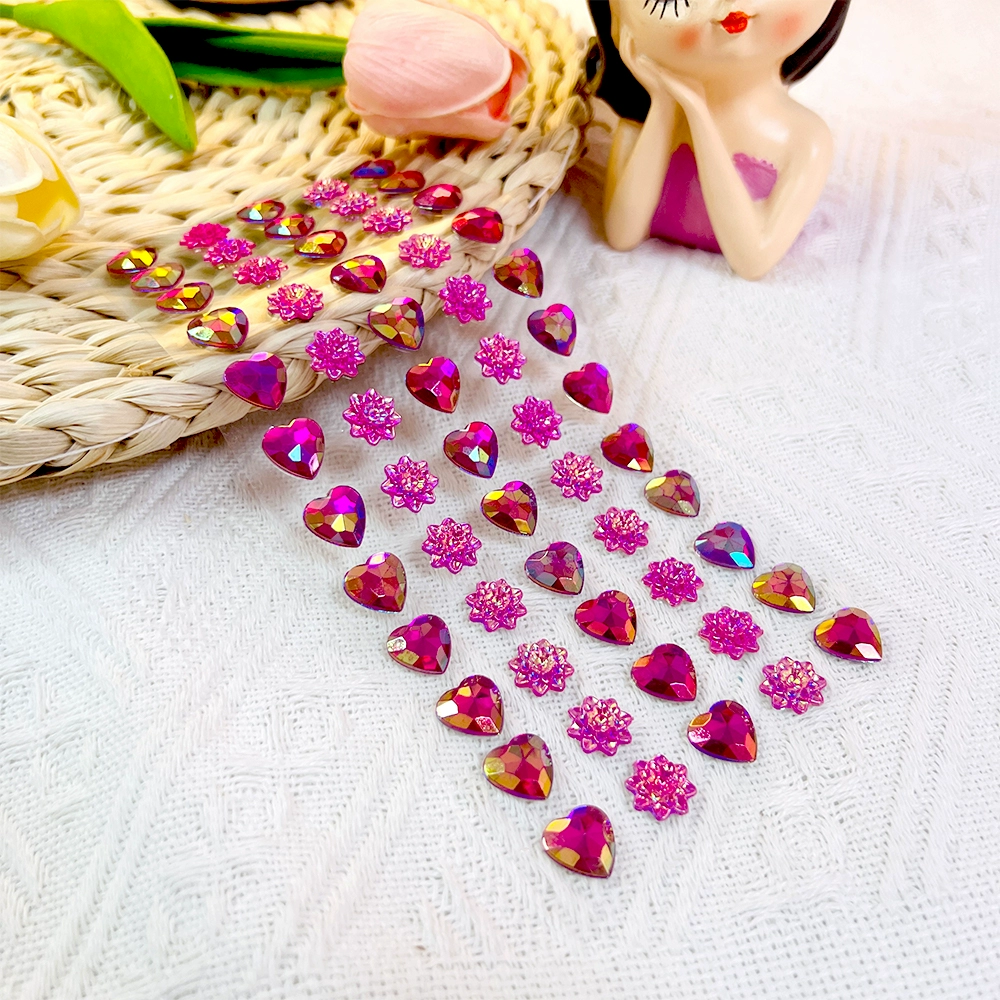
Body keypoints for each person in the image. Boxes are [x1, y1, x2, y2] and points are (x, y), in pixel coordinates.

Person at [589, 0, 851, 279]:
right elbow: (622, 234)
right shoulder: (637, 122)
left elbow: (752, 259)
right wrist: (663, 105)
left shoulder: (806, 141)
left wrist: (699, 114)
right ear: (618, 22)